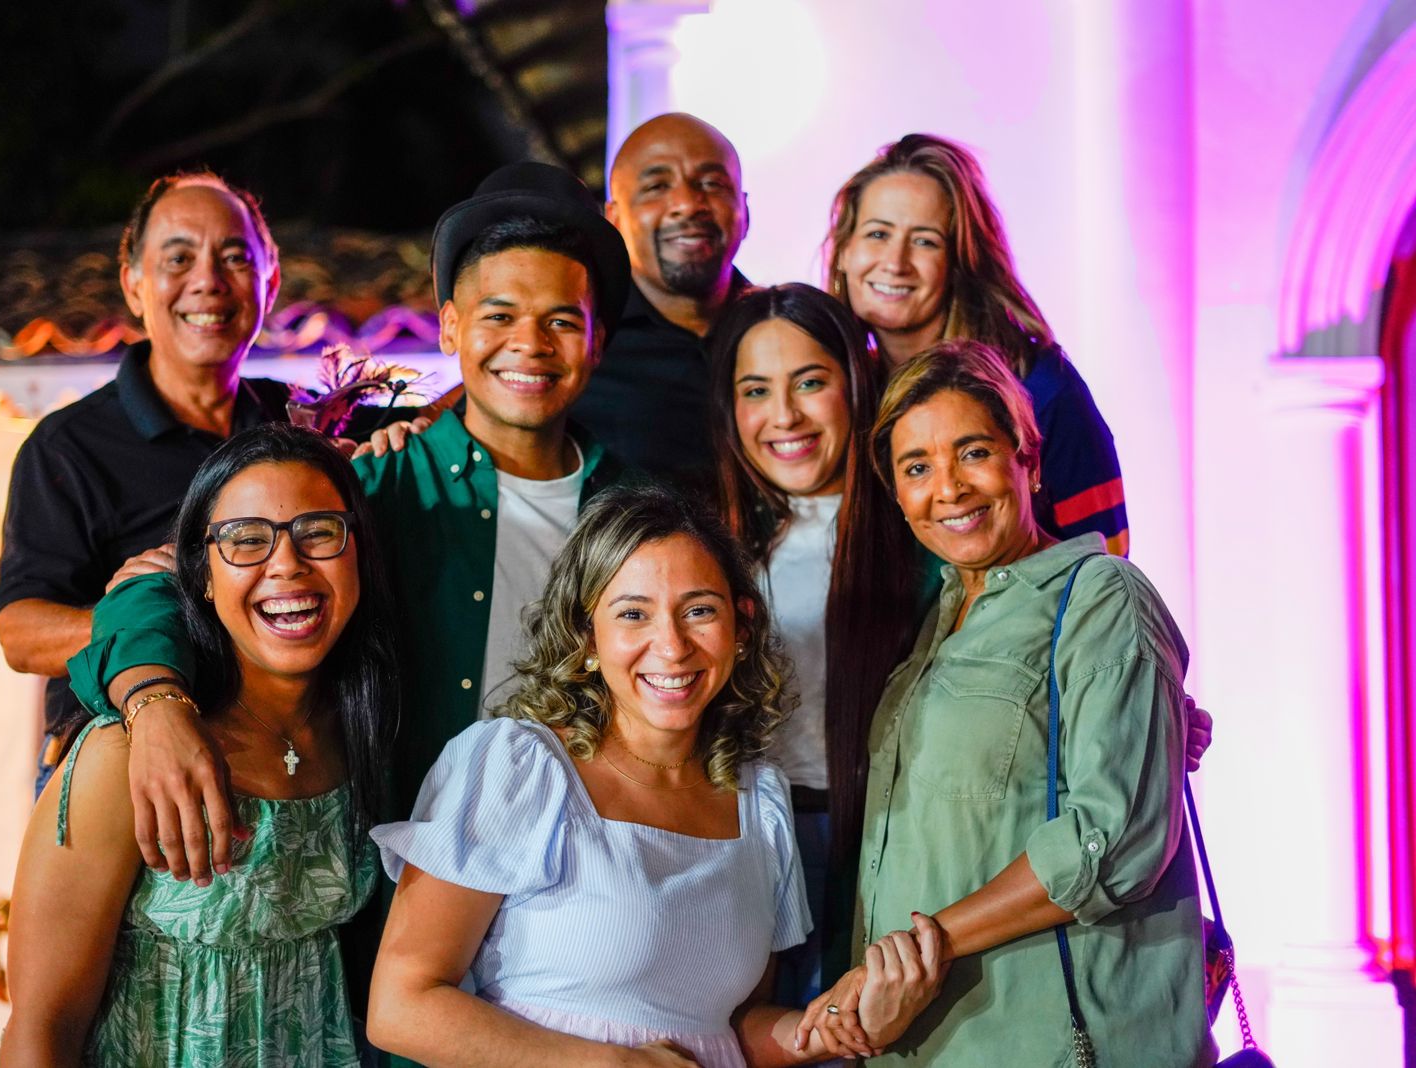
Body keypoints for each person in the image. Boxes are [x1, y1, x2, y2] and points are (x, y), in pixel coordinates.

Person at [67, 160, 630, 891]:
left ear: (598, 343)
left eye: (562, 321)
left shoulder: (631, 511)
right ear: (452, 327)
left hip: (583, 889)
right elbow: (162, 586)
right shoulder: (379, 483)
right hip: (400, 893)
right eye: (498, 316)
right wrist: (156, 706)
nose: (530, 344)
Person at [365, 483, 943, 1068]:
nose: (671, 645)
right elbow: (402, 1007)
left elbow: (726, 1026)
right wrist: (616, 1064)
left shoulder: (758, 798)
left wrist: (840, 1027)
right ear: (587, 635)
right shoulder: (516, 766)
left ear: (740, 627)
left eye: (698, 610)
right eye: (633, 614)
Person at [800, 341, 1213, 1066]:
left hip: (1054, 1043)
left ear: (1029, 459)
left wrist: (914, 954)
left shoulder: (1102, 595)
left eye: (973, 452)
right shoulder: (942, 616)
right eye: (917, 467)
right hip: (931, 1042)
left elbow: (1113, 840)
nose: (948, 488)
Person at [0, 423, 398, 1066]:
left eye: (318, 532)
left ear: (359, 554)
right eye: (246, 541)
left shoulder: (364, 732)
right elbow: (41, 1030)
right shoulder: (126, 753)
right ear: (203, 577)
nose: (287, 564)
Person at [0, 171, 287, 794]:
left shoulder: (300, 427)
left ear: (270, 283)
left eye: (235, 258)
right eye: (178, 258)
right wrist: (153, 619)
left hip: (277, 764)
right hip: (119, 769)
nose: (208, 280)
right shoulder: (70, 446)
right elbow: (19, 633)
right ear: (134, 285)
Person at [707, 283, 920, 1006]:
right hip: (747, 840)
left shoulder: (918, 527)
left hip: (889, 841)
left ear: (854, 385)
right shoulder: (715, 541)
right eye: (756, 390)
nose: (785, 415)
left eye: (809, 383)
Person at [824, 134, 1130, 554]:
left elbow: (1105, 560)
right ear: (843, 251)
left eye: (925, 241)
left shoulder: (1042, 386)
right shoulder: (839, 395)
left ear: (963, 257)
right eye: (878, 234)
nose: (895, 262)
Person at [569, 112, 753, 481]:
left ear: (744, 211)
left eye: (712, 183)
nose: (687, 203)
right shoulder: (580, 346)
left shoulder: (786, 333)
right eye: (656, 187)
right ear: (615, 220)